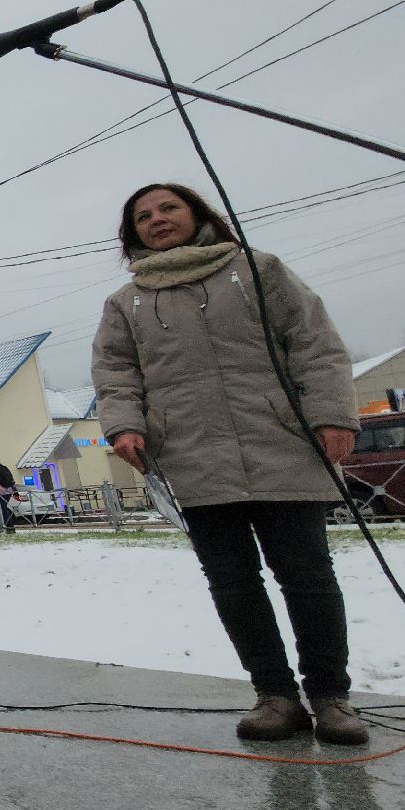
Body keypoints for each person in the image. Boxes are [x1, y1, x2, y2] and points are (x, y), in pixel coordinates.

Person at [92, 182, 366, 746]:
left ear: (197, 214)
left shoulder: (259, 270)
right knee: (233, 583)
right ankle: (275, 697)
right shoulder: (127, 302)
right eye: (144, 216)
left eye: (169, 208)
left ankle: (331, 698)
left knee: (308, 577)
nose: (158, 219)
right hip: (190, 456)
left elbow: (314, 342)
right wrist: (124, 425)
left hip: (281, 443)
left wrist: (333, 414)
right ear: (132, 233)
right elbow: (116, 372)